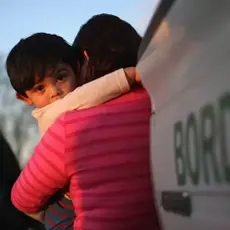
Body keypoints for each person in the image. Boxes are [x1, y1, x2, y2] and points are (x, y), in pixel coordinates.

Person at [11, 14, 160, 230]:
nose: (55, 92)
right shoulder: (159, 98)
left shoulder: (70, 125)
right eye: (40, 88)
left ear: (82, 60)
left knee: (55, 207)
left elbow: (22, 198)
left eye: (60, 77)